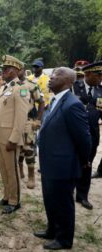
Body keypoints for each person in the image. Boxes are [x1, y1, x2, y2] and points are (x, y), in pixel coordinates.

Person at [35, 67, 91, 250]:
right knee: (50, 199)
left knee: (63, 203)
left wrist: (84, 161)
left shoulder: (73, 104)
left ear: (69, 82)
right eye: (52, 74)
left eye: (57, 75)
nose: (51, 77)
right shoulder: (56, 100)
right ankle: (52, 229)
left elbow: (83, 139)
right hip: (50, 163)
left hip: (63, 165)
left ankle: (64, 239)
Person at [0, 55, 30, 214]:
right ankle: (6, 196)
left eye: (7, 69)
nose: (4, 71)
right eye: (3, 69)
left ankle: (15, 201)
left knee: (12, 170)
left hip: (10, 138)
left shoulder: (21, 88)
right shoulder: (3, 88)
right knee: (4, 170)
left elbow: (21, 117)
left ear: (17, 70)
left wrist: (14, 139)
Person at [72, 61, 102, 209]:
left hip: (93, 134)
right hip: (75, 133)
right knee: (72, 162)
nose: (101, 78)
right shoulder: (74, 86)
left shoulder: (101, 90)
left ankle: (82, 195)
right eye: (98, 75)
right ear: (88, 74)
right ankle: (69, 191)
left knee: (87, 164)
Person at [18, 66, 45, 189]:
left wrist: (38, 120)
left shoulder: (31, 85)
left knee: (28, 148)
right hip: (13, 122)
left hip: (28, 121)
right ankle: (19, 170)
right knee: (16, 147)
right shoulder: (9, 85)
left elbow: (41, 102)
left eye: (19, 69)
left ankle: (31, 176)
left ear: (24, 70)